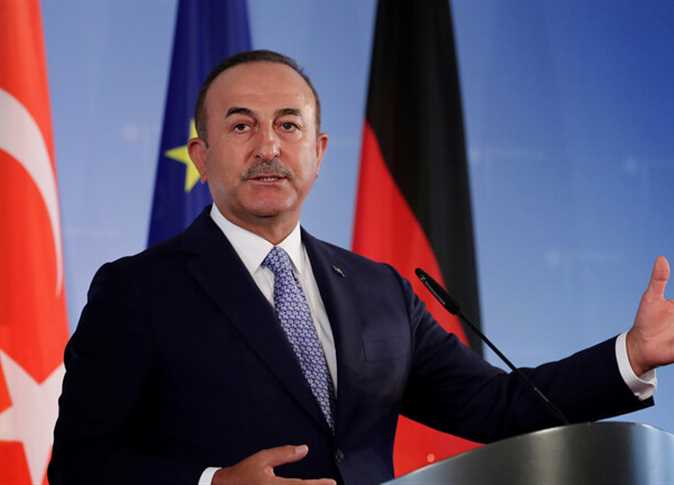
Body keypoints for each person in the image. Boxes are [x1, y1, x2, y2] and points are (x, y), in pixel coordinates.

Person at [49, 50, 674, 485]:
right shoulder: (137, 290)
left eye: (288, 125)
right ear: (200, 156)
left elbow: (495, 405)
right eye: (241, 126)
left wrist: (632, 354)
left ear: (318, 152)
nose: (268, 146)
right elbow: (80, 465)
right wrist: (213, 482)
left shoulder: (380, 291)